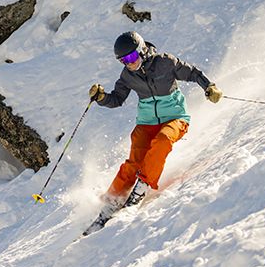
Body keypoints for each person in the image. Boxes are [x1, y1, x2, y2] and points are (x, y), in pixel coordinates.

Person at [89, 31, 222, 213]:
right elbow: (117, 99)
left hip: (175, 118)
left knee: (162, 140)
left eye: (132, 56)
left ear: (141, 50)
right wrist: (102, 97)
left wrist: (209, 86)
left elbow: (192, 72)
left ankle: (143, 185)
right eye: (124, 60)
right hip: (146, 122)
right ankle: (113, 197)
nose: (130, 63)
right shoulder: (127, 76)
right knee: (134, 161)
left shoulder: (165, 62)